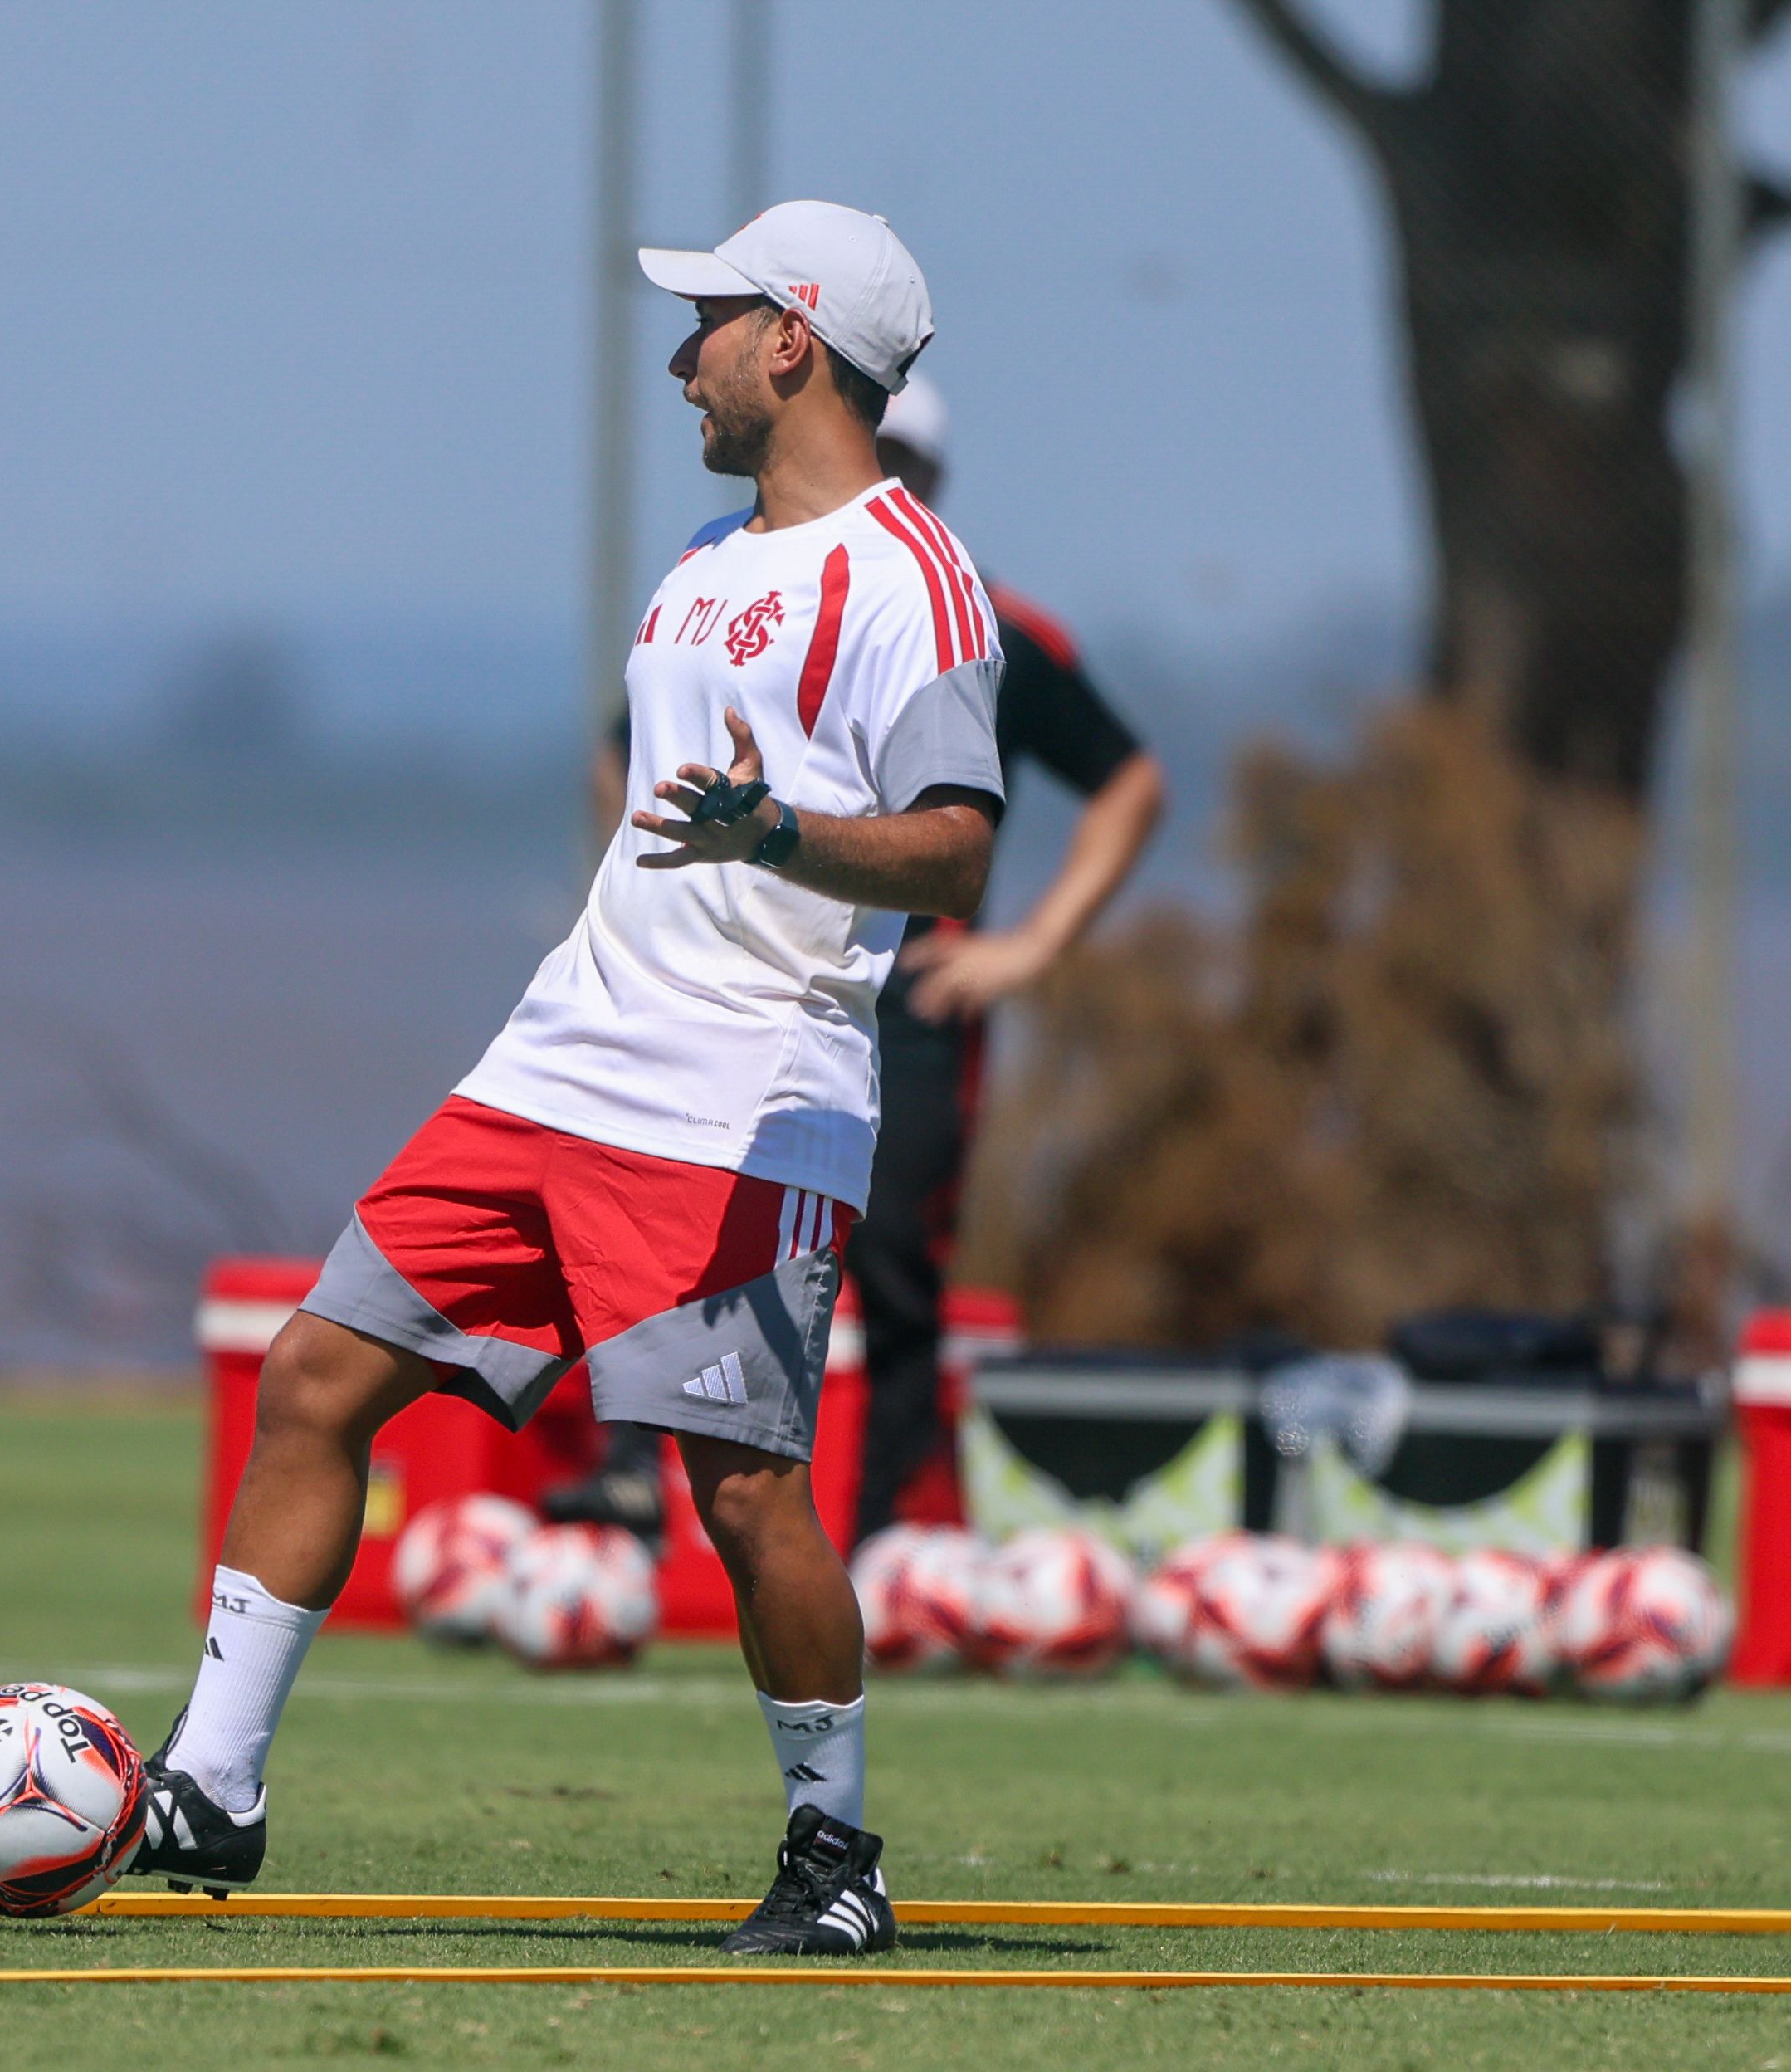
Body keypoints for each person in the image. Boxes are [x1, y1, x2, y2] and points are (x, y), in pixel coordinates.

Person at [131, 201, 1000, 1957]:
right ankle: (212, 1787)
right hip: (552, 1071)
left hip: (740, 1104)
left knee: (741, 1491)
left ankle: (835, 1857)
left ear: (793, 342)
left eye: (710, 321)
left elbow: (958, 851)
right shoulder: (699, 560)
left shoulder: (914, 581)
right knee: (311, 1378)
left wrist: (779, 835)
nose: (680, 357)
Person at [559, 374, 1163, 1546]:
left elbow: (1128, 783)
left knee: (893, 1264)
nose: (889, 479)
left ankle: (891, 1536)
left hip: (911, 1002)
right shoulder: (746, 600)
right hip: (742, 987)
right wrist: (645, 908)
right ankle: (634, 1485)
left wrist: (1032, 949)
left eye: (910, 464)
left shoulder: (980, 627)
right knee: (670, 1217)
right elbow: (621, 755)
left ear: (933, 477)